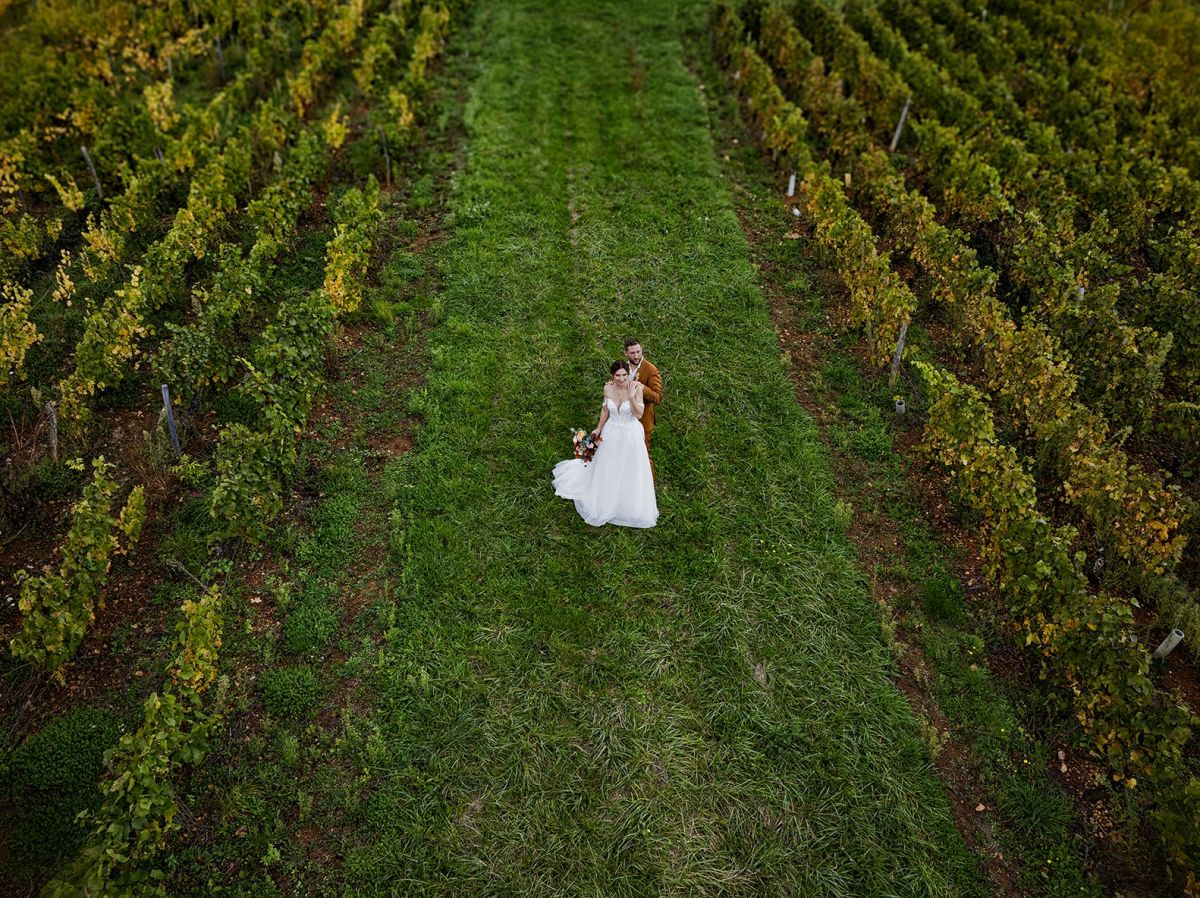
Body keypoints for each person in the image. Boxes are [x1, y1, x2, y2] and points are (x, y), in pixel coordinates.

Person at [552, 360, 658, 528]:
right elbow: (605, 410)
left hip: (630, 433)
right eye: (618, 375)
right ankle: (605, 493)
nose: (622, 379)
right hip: (611, 431)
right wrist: (599, 428)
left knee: (629, 466)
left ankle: (627, 498)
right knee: (608, 464)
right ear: (612, 376)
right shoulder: (608, 388)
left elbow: (639, 415)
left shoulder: (636, 388)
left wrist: (631, 397)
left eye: (624, 375)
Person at [622, 338, 662, 478]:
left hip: (643, 420)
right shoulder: (623, 368)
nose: (636, 356)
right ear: (626, 353)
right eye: (632, 353)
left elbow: (657, 398)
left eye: (638, 352)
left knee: (644, 453)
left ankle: (648, 484)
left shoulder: (651, 370)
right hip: (625, 419)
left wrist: (642, 388)